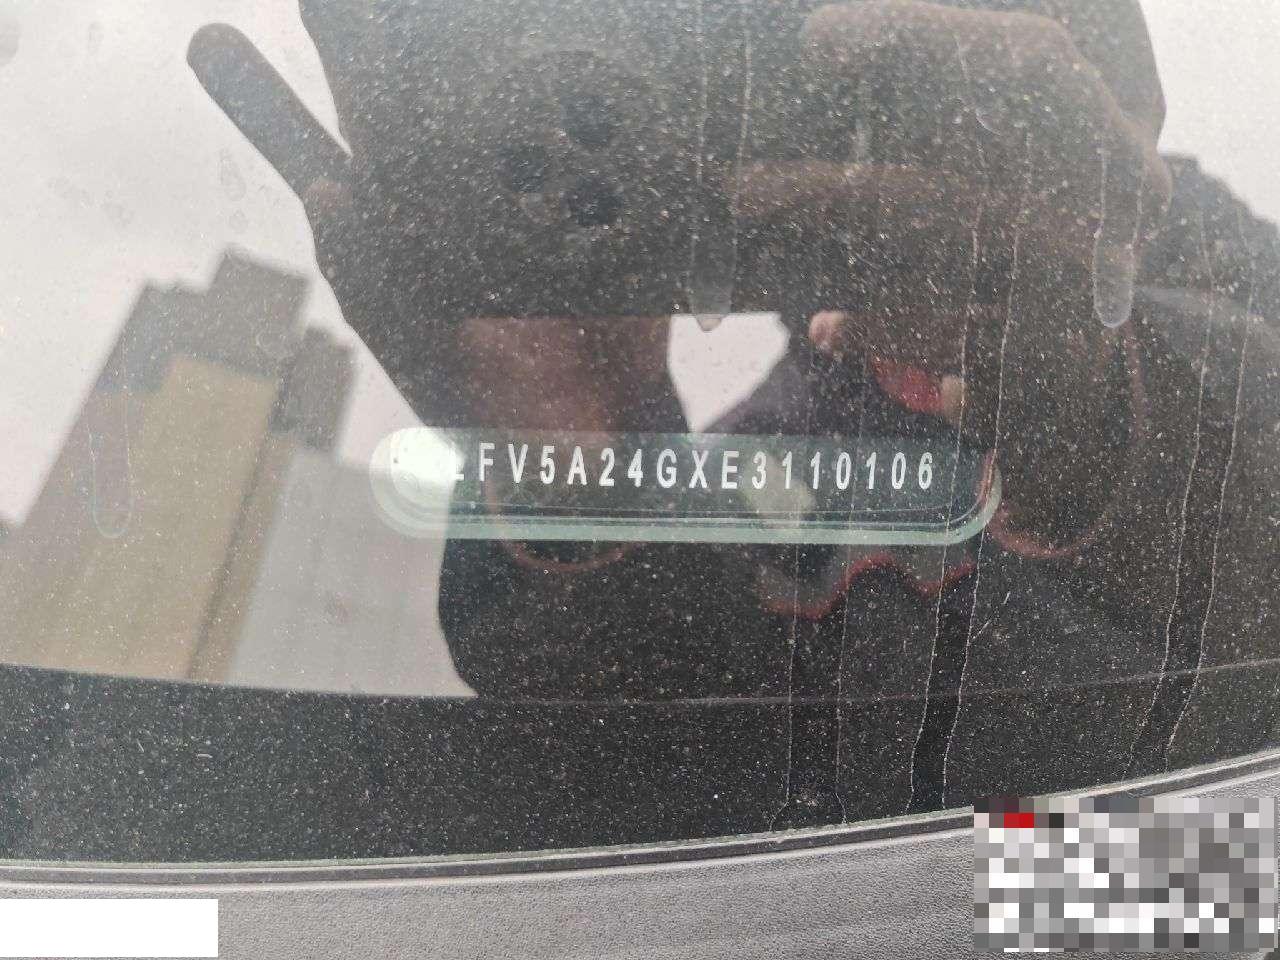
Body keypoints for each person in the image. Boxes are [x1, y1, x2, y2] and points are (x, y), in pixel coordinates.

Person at [188, 0, 1280, 825]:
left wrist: (1098, 406)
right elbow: (663, 836)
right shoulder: (766, 483)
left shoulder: (1224, 286)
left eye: (918, 63)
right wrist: (585, 463)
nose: (879, 138)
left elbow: (1230, 884)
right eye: (780, 62)